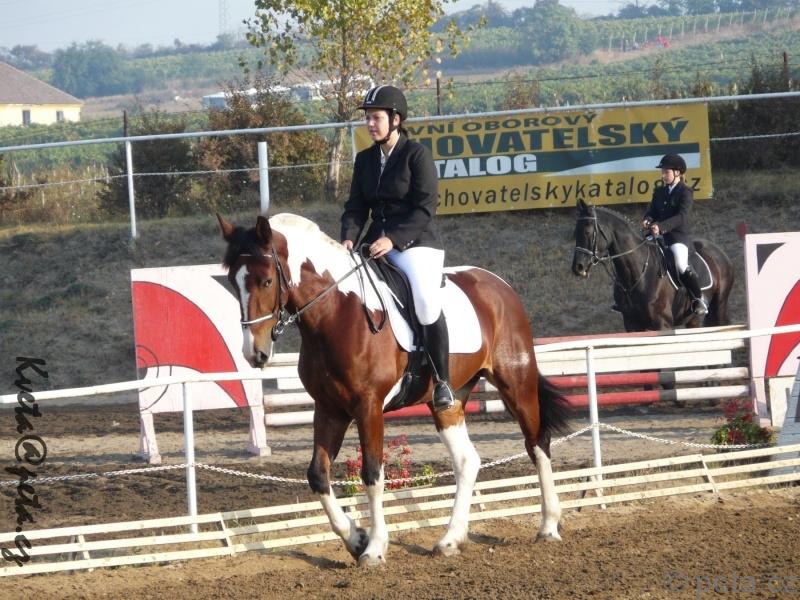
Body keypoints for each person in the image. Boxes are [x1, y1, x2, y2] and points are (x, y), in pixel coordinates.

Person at [340, 85, 454, 412]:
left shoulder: (416, 155)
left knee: (425, 300)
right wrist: (348, 238)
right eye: (367, 118)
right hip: (375, 244)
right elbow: (356, 207)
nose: (369, 124)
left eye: (375, 118)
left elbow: (425, 208)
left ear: (395, 119)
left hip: (416, 242)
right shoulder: (365, 160)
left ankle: (442, 380)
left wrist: (393, 239)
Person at [642, 154, 708, 316]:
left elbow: (682, 216)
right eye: (662, 172)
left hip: (677, 237)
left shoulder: (685, 191)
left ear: (677, 172)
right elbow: (653, 211)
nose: (663, 175)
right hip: (658, 236)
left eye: (666, 172)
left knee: (680, 263)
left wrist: (661, 227)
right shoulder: (659, 191)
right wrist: (647, 219)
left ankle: (698, 298)